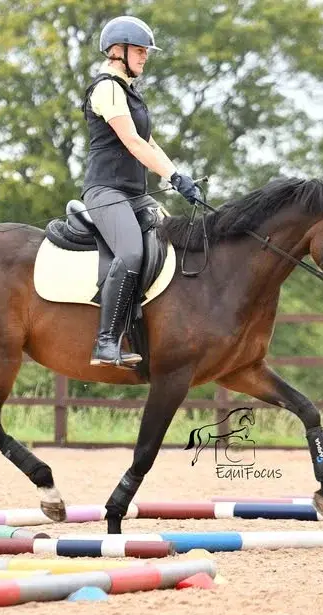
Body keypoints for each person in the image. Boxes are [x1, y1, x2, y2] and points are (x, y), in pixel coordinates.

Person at [81, 16, 203, 369]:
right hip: (106, 191)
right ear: (116, 52)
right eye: (139, 50)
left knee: (172, 241)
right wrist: (171, 176)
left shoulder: (130, 93)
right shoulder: (106, 89)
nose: (145, 57)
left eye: (145, 51)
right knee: (132, 252)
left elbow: (149, 142)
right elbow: (132, 142)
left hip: (135, 195)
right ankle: (105, 343)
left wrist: (180, 177)